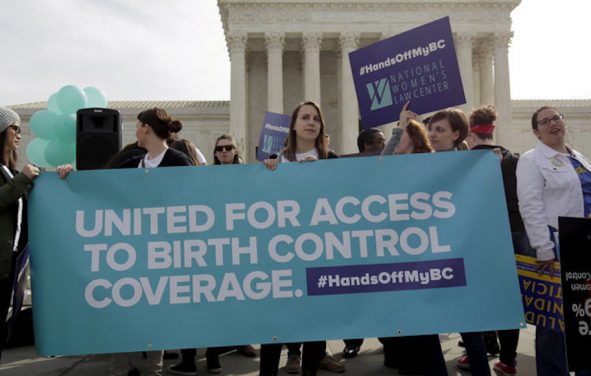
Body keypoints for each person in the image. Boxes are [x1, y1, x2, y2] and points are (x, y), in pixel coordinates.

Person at [59, 107, 194, 376]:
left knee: (155, 313)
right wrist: (70, 175)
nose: (135, 131)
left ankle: (153, 370)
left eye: (137, 126)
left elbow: (193, 201)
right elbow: (100, 185)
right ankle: (120, 368)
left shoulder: (178, 161)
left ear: (146, 128)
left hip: (163, 253)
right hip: (131, 253)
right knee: (121, 310)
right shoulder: (134, 163)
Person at [261, 101, 343, 376]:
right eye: (305, 117)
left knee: (315, 325)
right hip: (282, 255)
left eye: (316, 119)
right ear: (293, 125)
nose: (311, 122)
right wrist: (267, 175)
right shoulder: (275, 161)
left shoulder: (331, 161)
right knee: (275, 323)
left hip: (319, 252)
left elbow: (345, 200)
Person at [168, 135, 257, 375]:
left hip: (192, 254)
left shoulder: (194, 181)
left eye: (229, 148)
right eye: (221, 149)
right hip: (214, 253)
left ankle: (191, 360)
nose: (224, 151)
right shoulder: (206, 179)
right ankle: (212, 358)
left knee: (190, 308)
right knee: (214, 308)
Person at [516, 106, 591, 376]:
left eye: (556, 118)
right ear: (536, 132)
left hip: (583, 244)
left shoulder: (578, 157)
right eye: (544, 122)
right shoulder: (532, 159)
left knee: (583, 314)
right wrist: (543, 249)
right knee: (554, 320)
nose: (552, 124)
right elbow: (530, 204)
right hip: (555, 245)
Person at [458, 105, 528, 375]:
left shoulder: (462, 162)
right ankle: (508, 361)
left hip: (477, 237)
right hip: (512, 234)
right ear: (493, 129)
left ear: (469, 132)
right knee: (508, 300)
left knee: (476, 297)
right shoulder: (514, 160)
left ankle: (476, 350)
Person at [0, 107, 40, 363]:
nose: (19, 134)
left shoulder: (9, 171)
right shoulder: (13, 176)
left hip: (11, 263)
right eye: (15, 128)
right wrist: (22, 180)